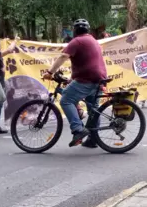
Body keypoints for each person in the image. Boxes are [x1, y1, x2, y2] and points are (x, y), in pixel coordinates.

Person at [43, 19, 107, 147]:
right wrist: (72, 79)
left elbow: (63, 57)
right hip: (99, 78)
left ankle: (78, 129)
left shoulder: (77, 41)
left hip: (87, 79)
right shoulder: (93, 40)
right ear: (87, 30)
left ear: (75, 30)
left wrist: (50, 72)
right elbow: (86, 61)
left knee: (66, 100)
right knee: (93, 110)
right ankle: (93, 139)